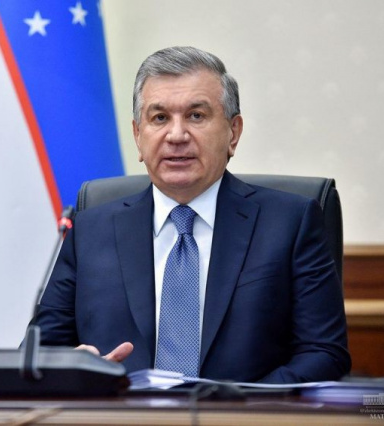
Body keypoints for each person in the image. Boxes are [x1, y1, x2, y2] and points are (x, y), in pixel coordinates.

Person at [31, 46, 351, 383]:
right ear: (138, 135)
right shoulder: (90, 230)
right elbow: (37, 353)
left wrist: (237, 403)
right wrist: (70, 367)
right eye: (159, 118)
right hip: (121, 409)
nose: (176, 135)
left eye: (196, 116)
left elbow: (325, 354)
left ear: (233, 132)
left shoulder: (290, 223)